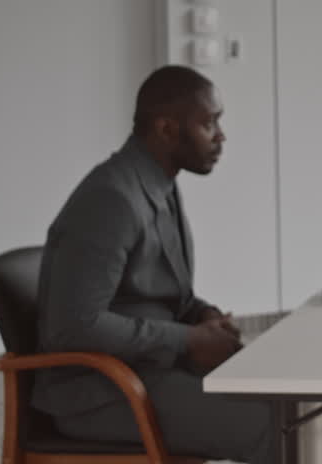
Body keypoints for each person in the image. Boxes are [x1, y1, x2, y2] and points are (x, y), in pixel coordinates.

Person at [34, 65, 273, 463]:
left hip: (151, 368)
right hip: (102, 392)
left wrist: (202, 314)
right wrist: (188, 339)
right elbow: (74, 326)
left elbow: (162, 293)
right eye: (209, 123)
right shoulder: (110, 198)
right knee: (272, 423)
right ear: (166, 129)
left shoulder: (160, 184)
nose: (221, 136)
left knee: (286, 400)